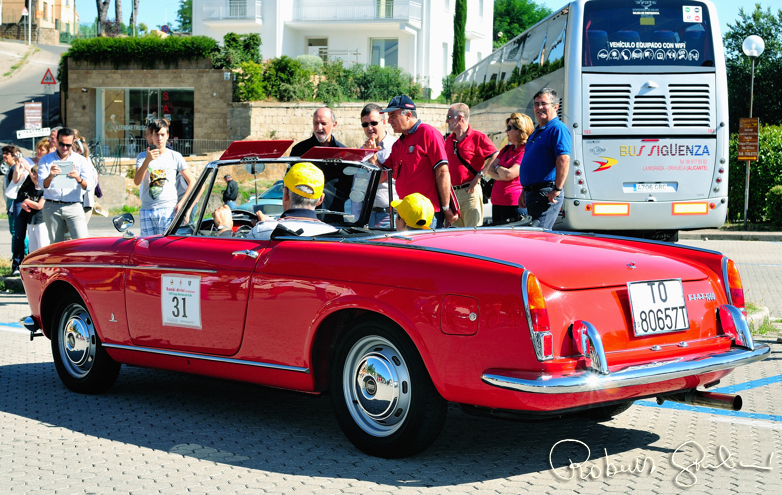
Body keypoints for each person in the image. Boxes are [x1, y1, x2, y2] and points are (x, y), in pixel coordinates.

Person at [380, 95, 456, 229]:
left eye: (393, 115)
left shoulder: (428, 132)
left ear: (408, 115)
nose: (389, 120)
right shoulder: (398, 144)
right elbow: (383, 175)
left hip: (427, 214)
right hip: (407, 214)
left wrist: (446, 208)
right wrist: (371, 156)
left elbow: (443, 172)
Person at [213, 162, 336, 240]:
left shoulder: (264, 231)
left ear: (285, 193)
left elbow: (231, 257)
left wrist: (224, 228)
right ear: (321, 199)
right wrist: (272, 222)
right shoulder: (333, 234)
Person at [518, 88, 572, 230]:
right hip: (533, 193)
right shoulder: (537, 131)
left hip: (546, 193)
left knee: (539, 237)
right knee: (535, 237)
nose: (539, 108)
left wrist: (557, 189)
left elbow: (564, 159)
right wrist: (525, 190)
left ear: (555, 106)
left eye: (543, 103)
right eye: (536, 104)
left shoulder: (557, 128)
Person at [134, 119, 195, 237]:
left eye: (162, 134)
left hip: (168, 209)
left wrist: (182, 203)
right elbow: (137, 181)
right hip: (147, 209)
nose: (159, 138)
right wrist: (147, 160)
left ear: (167, 136)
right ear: (151, 136)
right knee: (146, 248)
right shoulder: (142, 156)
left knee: (165, 247)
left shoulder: (175, 156)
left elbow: (192, 182)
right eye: (156, 135)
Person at [444, 103, 498, 227]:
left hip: (470, 192)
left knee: (472, 234)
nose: (446, 120)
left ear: (460, 118)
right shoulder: (449, 140)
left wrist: (480, 175)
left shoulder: (478, 137)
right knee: (455, 236)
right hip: (453, 195)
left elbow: (495, 155)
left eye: (449, 117)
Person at [37, 127, 93, 242]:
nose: (64, 148)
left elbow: (89, 186)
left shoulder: (80, 160)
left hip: (74, 205)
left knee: (82, 242)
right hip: (52, 206)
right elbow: (41, 185)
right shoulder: (46, 159)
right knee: (56, 245)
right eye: (61, 144)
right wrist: (50, 176)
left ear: (73, 142)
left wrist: (78, 178)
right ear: (57, 141)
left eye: (68, 145)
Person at [351, 103, 397, 228]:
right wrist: (356, 218)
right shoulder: (361, 151)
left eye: (373, 123)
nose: (369, 128)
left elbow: (383, 178)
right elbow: (358, 186)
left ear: (384, 122)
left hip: (390, 215)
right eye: (365, 125)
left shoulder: (396, 147)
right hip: (367, 215)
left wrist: (372, 157)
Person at [487, 113, 535, 225]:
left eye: (509, 128)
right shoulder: (506, 149)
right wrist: (502, 173)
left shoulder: (525, 150)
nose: (506, 131)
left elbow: (510, 174)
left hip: (514, 203)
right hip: (497, 202)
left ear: (519, 130)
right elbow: (489, 169)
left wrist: (498, 168)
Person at [19, 165, 49, 254]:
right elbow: (26, 202)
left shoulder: (45, 190)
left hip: (41, 222)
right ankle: (34, 267)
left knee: (43, 248)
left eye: (37, 174)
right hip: (31, 222)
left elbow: (39, 205)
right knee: (32, 250)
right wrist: (23, 204)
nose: (34, 176)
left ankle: (44, 267)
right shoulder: (31, 189)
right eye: (32, 173)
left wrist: (26, 201)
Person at [72, 133, 99, 223]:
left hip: (85, 203)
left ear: (79, 151)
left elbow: (92, 184)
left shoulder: (87, 166)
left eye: (72, 150)